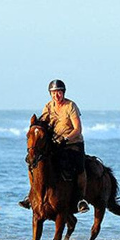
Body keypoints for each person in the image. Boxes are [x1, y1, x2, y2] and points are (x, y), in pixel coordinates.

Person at [19, 79, 89, 213]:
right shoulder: (48, 107)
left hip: (73, 143)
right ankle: (31, 196)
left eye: (59, 92)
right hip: (55, 143)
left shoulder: (71, 106)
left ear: (63, 93)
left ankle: (81, 199)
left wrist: (65, 138)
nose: (57, 96)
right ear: (50, 94)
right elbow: (43, 124)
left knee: (79, 167)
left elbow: (78, 129)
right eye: (54, 93)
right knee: (35, 164)